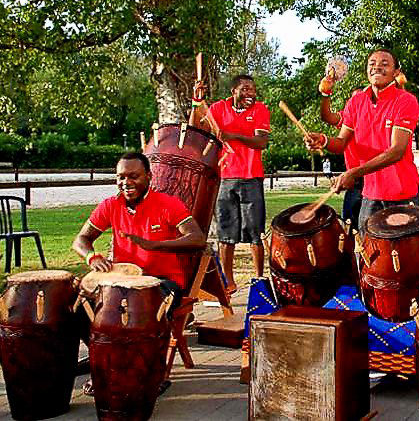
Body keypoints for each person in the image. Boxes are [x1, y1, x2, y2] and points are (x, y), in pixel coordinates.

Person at [71, 152, 206, 395]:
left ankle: (151, 373)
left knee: (142, 308)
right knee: (77, 305)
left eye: (133, 176)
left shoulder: (168, 203)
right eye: (121, 177)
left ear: (149, 177)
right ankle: (103, 357)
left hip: (163, 282)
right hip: (122, 280)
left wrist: (155, 245)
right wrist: (92, 257)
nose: (126, 182)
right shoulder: (110, 205)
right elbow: (81, 240)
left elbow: (197, 239)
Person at [305, 49, 419, 231]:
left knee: (403, 250)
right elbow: (341, 142)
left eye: (385, 64)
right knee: (365, 247)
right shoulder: (356, 101)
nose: (377, 67)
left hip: (402, 193)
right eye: (372, 63)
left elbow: (396, 151)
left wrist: (353, 173)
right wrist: (323, 140)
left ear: (396, 72)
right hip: (370, 193)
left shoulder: (406, 101)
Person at [189, 75, 271, 292]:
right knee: (226, 234)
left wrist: (232, 136)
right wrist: (196, 101)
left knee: (256, 233)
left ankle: (259, 280)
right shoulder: (218, 108)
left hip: (251, 177)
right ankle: (228, 281)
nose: (250, 93)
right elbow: (194, 128)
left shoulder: (260, 109)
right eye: (245, 89)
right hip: (224, 178)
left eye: (252, 89)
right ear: (233, 91)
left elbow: (261, 142)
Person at [318, 75, 364, 232]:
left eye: (361, 98)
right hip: (353, 180)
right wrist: (326, 93)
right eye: (353, 100)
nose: (357, 103)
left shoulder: (375, 116)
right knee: (350, 227)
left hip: (374, 178)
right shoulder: (347, 116)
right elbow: (326, 116)